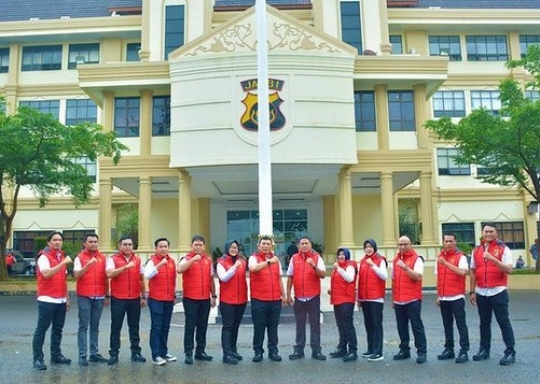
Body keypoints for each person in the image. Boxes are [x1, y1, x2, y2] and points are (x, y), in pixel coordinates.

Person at [469, 223, 516, 366]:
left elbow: (508, 269)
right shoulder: (476, 250)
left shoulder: (503, 249)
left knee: (503, 322)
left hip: (498, 291)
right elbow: (472, 271)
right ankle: (484, 349)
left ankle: (510, 352)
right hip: (482, 291)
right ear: (482, 233)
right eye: (486, 231)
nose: (488, 234)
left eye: (491, 232)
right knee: (484, 323)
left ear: (496, 234)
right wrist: (472, 291)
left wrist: (493, 259)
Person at [32, 231, 72, 371]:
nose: (57, 242)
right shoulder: (44, 257)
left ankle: (56, 356)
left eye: (60, 240)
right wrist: (63, 263)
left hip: (60, 299)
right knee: (41, 329)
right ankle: (38, 358)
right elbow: (47, 274)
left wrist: (67, 299)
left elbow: (64, 280)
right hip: (47, 299)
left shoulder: (61, 256)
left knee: (58, 329)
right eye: (54, 240)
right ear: (48, 242)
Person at [106, 236, 147, 365]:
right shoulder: (113, 259)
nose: (128, 246)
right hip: (118, 298)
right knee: (116, 327)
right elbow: (109, 274)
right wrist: (125, 267)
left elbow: (141, 279)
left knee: (134, 327)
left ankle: (136, 352)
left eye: (130, 244)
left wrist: (144, 296)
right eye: (125, 244)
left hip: (134, 298)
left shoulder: (138, 260)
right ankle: (114, 354)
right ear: (120, 246)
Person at [177, 235, 217, 365]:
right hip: (190, 298)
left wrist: (214, 296)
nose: (198, 247)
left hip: (204, 298)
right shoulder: (186, 258)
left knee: (202, 326)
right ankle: (188, 352)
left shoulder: (208, 260)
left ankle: (200, 351)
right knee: (190, 326)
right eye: (196, 245)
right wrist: (193, 259)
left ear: (204, 246)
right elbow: (180, 269)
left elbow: (211, 279)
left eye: (200, 245)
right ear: (191, 246)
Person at [286, 236, 327, 361]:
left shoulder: (317, 257)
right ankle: (299, 350)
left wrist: (314, 266)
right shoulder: (294, 258)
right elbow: (290, 277)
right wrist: (288, 295)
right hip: (299, 297)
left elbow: (323, 275)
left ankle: (316, 350)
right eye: (302, 243)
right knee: (299, 324)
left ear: (310, 245)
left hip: (313, 296)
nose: (304, 245)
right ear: (299, 245)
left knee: (315, 324)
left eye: (306, 243)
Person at [249, 236, 286, 363]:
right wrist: (269, 262)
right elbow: (254, 269)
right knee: (259, 328)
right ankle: (258, 352)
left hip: (275, 299)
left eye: (268, 244)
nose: (265, 246)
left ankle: (273, 351)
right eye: (263, 244)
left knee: (273, 328)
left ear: (272, 246)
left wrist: (284, 295)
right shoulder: (253, 258)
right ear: (258, 246)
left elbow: (279, 279)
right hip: (259, 299)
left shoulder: (277, 261)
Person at [74, 233, 109, 366]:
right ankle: (82, 355)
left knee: (95, 326)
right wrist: (88, 264)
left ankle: (94, 353)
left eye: (95, 241)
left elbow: (106, 277)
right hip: (85, 296)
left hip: (99, 296)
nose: (93, 244)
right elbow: (77, 275)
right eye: (91, 242)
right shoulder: (80, 258)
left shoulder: (102, 258)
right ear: (85, 243)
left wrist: (107, 295)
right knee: (83, 326)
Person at [391, 235, 428, 364]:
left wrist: (405, 267)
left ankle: (422, 352)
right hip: (399, 299)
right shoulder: (395, 259)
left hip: (413, 299)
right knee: (401, 327)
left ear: (411, 245)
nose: (402, 247)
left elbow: (417, 277)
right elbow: (394, 279)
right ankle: (404, 350)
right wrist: (393, 298)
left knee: (416, 326)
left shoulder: (417, 259)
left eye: (405, 244)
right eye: (400, 244)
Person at [434, 233, 470, 364]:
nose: (448, 243)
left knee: (461, 325)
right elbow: (438, 278)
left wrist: (447, 263)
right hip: (444, 298)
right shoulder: (439, 258)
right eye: (446, 241)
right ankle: (449, 349)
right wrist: (439, 296)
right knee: (447, 325)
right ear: (443, 242)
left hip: (456, 296)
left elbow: (463, 272)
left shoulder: (460, 257)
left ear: (456, 242)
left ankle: (464, 350)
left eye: (451, 241)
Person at [144, 237, 177, 366]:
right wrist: (159, 265)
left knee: (165, 327)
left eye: (165, 246)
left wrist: (173, 296)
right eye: (160, 247)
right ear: (156, 248)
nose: (163, 249)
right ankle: (156, 355)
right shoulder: (152, 261)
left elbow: (173, 280)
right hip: (156, 299)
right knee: (156, 327)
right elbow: (147, 275)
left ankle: (164, 352)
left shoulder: (172, 261)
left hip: (168, 299)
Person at [216, 240, 248, 365]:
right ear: (227, 248)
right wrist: (234, 267)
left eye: (236, 247)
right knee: (228, 327)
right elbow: (224, 278)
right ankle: (227, 354)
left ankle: (233, 350)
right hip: (227, 300)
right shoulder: (221, 262)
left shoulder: (243, 262)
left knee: (235, 327)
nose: (234, 249)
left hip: (241, 300)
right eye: (231, 247)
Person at [357, 239, 388, 362]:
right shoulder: (363, 261)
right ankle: (370, 349)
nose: (368, 249)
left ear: (375, 248)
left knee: (376, 325)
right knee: (368, 325)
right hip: (365, 298)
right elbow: (361, 280)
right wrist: (359, 298)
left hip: (376, 298)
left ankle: (378, 352)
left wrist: (373, 265)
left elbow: (384, 276)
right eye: (366, 247)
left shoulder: (380, 260)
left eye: (370, 247)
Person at [328, 247, 358, 362]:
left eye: (343, 254)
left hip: (346, 300)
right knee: (340, 325)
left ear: (347, 255)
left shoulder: (350, 265)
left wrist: (339, 269)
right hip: (337, 299)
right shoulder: (338, 267)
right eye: (339, 254)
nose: (341, 256)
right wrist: (332, 289)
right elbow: (339, 282)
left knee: (347, 325)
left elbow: (349, 278)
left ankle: (353, 350)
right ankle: (342, 348)